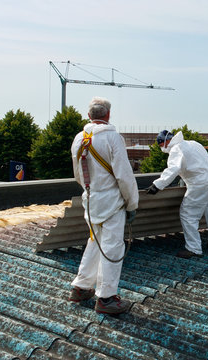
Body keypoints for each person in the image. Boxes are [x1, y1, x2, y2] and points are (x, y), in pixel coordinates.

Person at [68, 97, 139, 314]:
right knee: (112, 247)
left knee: (95, 243)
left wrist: (93, 192)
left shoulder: (79, 138)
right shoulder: (113, 138)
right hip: (112, 203)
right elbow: (124, 176)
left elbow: (78, 175)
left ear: (89, 116)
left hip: (91, 201)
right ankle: (106, 298)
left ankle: (81, 287)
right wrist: (132, 203)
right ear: (108, 114)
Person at [146, 130, 208, 258]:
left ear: (166, 141)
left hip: (199, 184)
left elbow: (173, 169)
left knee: (188, 214)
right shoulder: (194, 143)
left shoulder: (176, 149)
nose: (162, 148)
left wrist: (157, 185)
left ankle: (194, 248)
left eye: (161, 145)